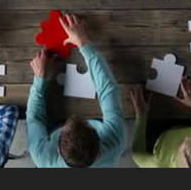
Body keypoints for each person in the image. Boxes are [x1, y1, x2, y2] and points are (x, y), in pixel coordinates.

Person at [27, 13, 125, 167]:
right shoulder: (114, 141)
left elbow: (34, 119)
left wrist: (39, 78)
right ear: (99, 147)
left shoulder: (43, 158)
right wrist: (84, 43)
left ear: (58, 151)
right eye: (86, 124)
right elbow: (108, 89)